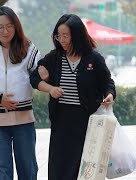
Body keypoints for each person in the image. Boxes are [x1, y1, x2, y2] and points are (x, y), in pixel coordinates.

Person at [30, 14, 116, 180]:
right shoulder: (55, 57)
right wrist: (50, 88)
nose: (61, 40)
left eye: (65, 35)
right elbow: (34, 78)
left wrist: (110, 95)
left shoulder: (93, 58)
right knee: (59, 167)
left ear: (76, 35)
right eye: (58, 35)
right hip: (61, 121)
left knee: (84, 169)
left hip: (87, 122)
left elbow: (107, 82)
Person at [0, 6, 40, 180]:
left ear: (16, 26)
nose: (5, 31)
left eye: (9, 26)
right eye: (0, 27)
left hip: (23, 118)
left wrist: (45, 77)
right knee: (2, 169)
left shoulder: (29, 49)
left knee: (27, 168)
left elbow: (38, 77)